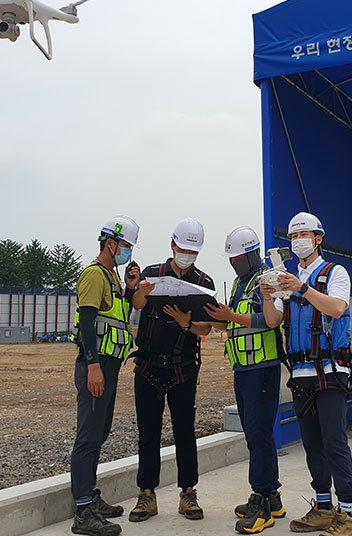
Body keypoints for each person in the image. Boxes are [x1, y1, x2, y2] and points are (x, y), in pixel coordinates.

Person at [262, 212, 352, 536]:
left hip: (331, 371)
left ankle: (346, 515)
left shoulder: (335, 273)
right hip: (301, 374)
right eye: (293, 237)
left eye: (304, 235)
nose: (298, 241)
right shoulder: (287, 279)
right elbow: (274, 320)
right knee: (312, 444)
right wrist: (267, 295)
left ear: (318, 238)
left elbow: (337, 308)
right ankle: (322, 507)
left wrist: (301, 287)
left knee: (334, 441)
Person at [127, 218, 215, 523]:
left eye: (193, 250)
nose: (187, 254)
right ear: (172, 244)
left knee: (184, 432)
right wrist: (140, 289)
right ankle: (146, 494)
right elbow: (137, 303)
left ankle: (188, 493)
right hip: (149, 365)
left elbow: (212, 325)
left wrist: (186, 324)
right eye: (183, 248)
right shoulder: (152, 274)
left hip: (184, 367)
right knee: (148, 433)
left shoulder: (204, 282)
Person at [69, 216, 151, 536]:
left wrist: (130, 290)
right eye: (126, 247)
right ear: (111, 243)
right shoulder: (94, 275)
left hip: (111, 364)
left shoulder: (113, 278)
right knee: (88, 435)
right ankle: (83, 509)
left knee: (99, 433)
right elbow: (88, 323)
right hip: (97, 364)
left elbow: (120, 317)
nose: (127, 253)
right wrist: (92, 367)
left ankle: (90, 496)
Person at [205, 226, 286, 534]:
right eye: (230, 258)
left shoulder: (269, 279)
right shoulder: (241, 283)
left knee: (258, 434)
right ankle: (273, 497)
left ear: (252, 254)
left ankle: (261, 501)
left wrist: (232, 317)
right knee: (257, 433)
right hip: (244, 369)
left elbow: (270, 320)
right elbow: (234, 320)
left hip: (262, 369)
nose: (233, 262)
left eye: (237, 257)